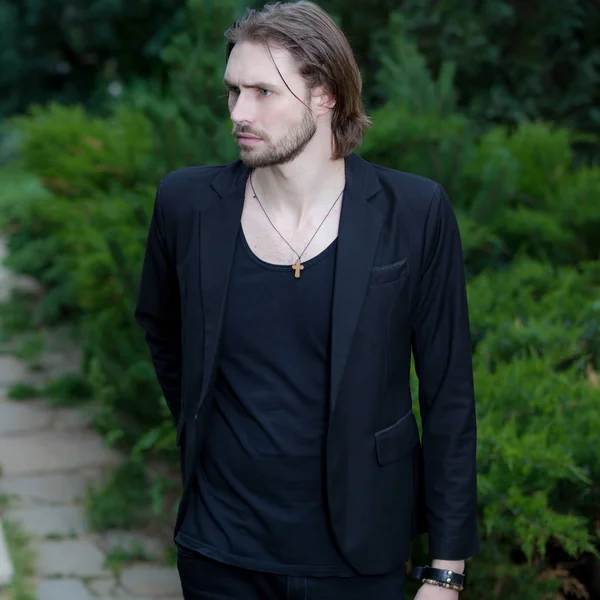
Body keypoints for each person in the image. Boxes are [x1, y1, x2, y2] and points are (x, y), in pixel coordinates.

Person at [134, 1, 480, 598]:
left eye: (263, 92)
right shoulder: (187, 205)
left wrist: (445, 569)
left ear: (324, 94)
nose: (239, 112)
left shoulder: (413, 213)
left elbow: (449, 395)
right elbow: (163, 332)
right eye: (232, 91)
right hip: (220, 552)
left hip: (359, 556)